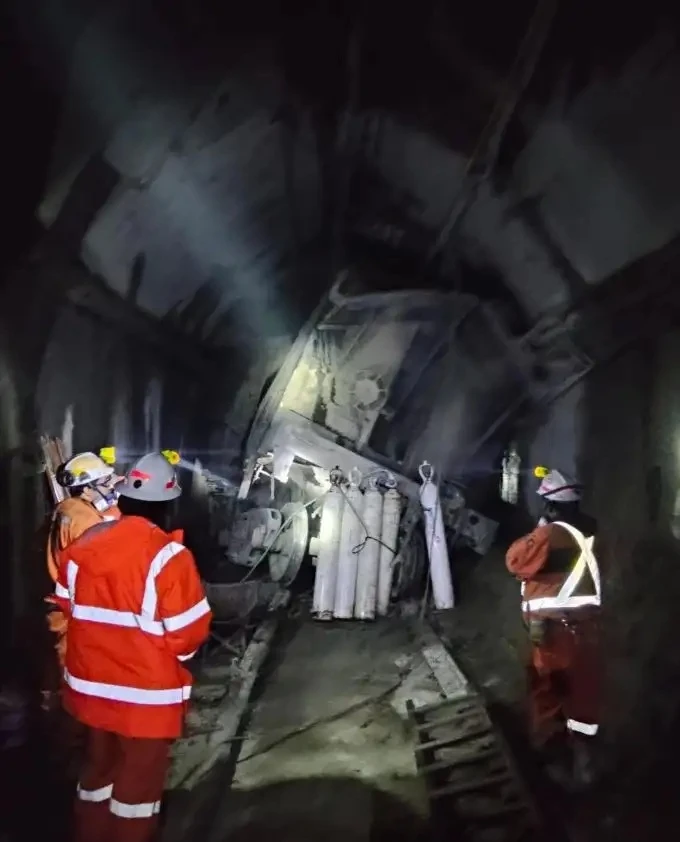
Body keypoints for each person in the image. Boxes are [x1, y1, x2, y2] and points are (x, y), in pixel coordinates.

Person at [51, 451, 212, 842]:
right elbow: (187, 637)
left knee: (96, 776)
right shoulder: (169, 557)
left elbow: (66, 605)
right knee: (136, 793)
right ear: (170, 503)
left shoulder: (84, 545)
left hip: (90, 693)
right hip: (144, 701)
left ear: (122, 496)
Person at [505, 468, 601, 787]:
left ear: (549, 505)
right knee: (582, 689)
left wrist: (540, 530)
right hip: (587, 628)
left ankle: (553, 756)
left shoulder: (549, 536)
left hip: (552, 632)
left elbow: (514, 562)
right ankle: (585, 756)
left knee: (546, 689)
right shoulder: (591, 531)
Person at [44, 451, 123, 673]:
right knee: (72, 673)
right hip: (75, 610)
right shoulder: (83, 519)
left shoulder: (71, 508)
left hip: (67, 607)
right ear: (88, 488)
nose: (112, 486)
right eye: (106, 482)